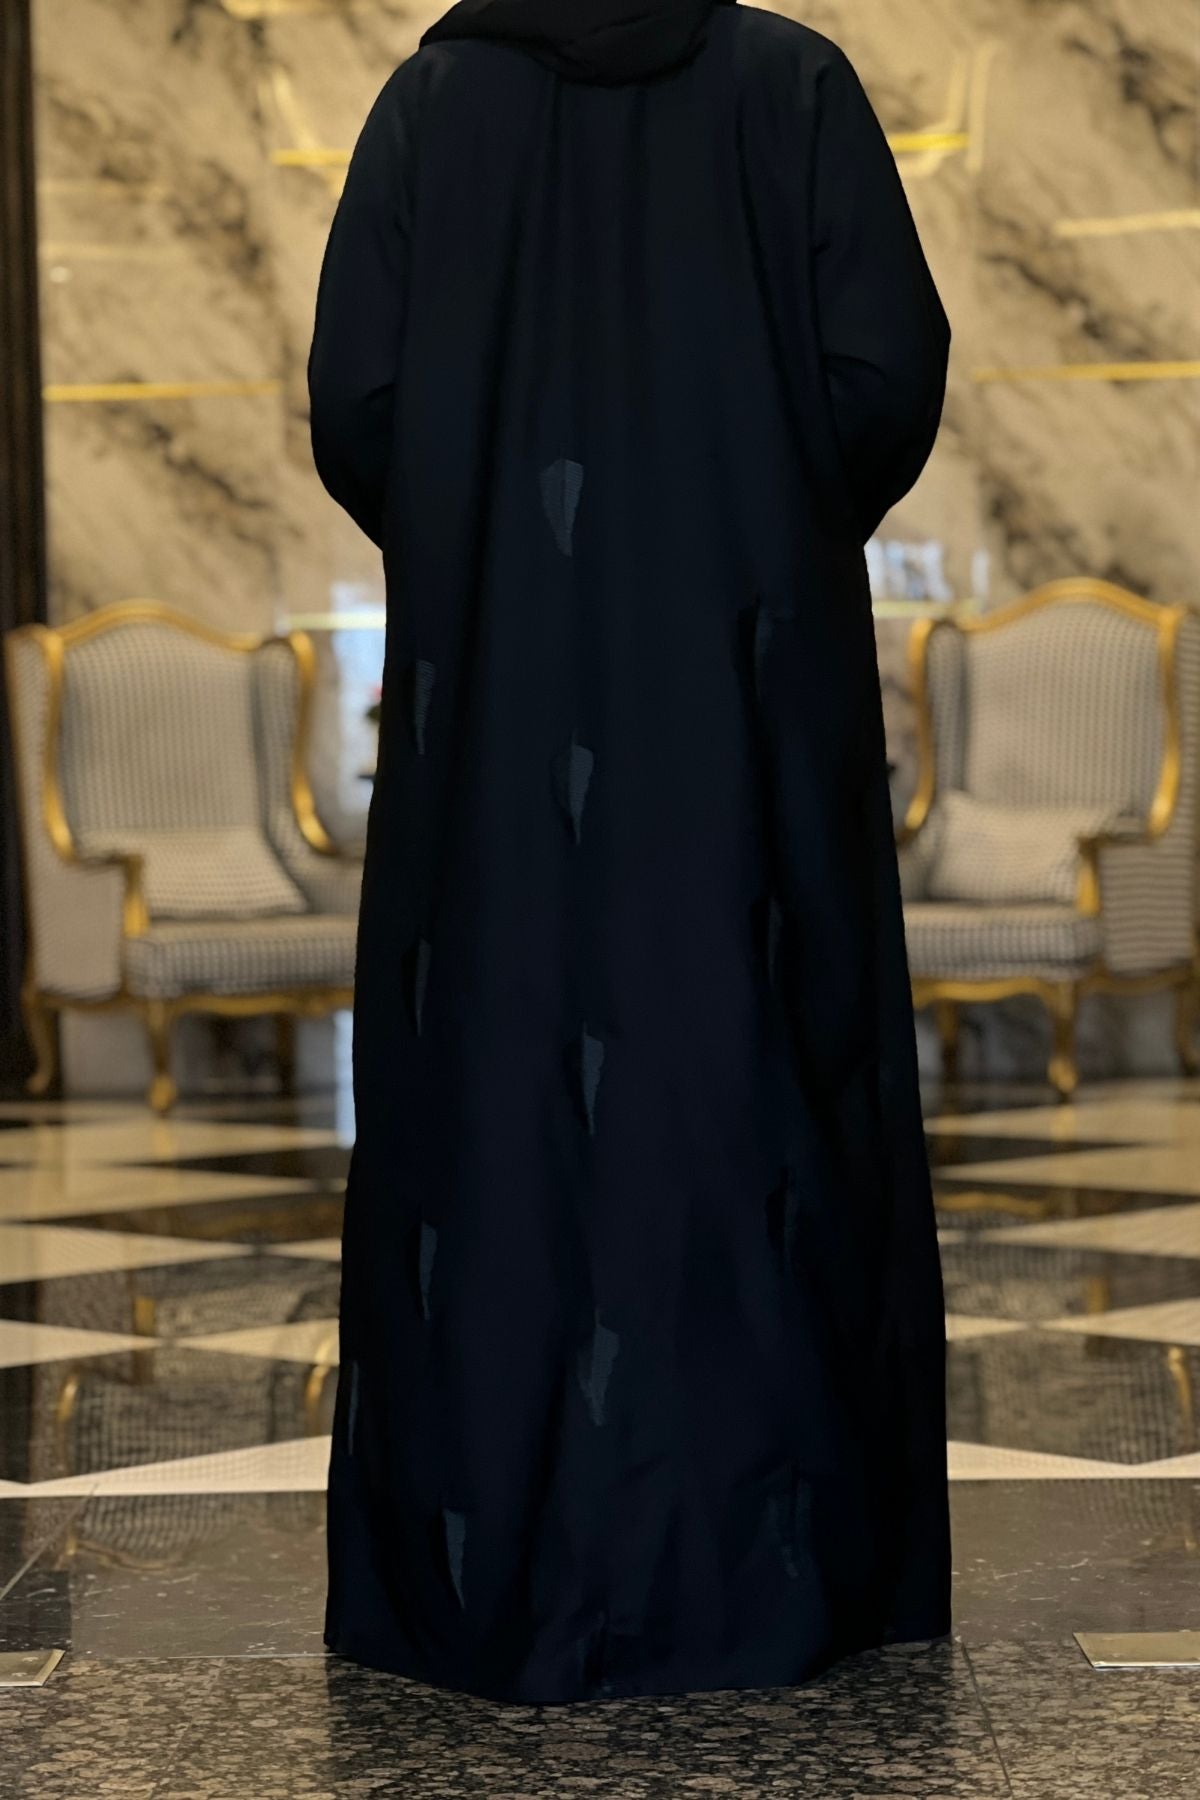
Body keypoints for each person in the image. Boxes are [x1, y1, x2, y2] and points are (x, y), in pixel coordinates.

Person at [308, 0, 951, 1706]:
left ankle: (489, 1577)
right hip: (745, 695)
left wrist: (485, 518)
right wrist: (750, 511)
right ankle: (773, 1565)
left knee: (498, 1087)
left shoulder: (429, 107)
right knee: (750, 1072)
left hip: (496, 710)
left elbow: (357, 402)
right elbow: (886, 372)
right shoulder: (793, 88)